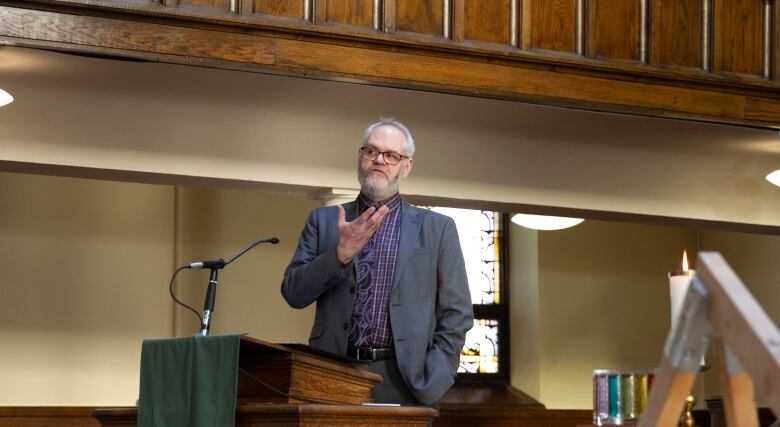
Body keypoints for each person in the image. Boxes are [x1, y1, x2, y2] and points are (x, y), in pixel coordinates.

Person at [281, 117, 473, 407]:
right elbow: (293, 293)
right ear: (360, 158)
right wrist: (339, 255)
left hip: (406, 381)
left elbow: (457, 313)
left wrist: (434, 376)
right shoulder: (323, 221)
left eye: (391, 155)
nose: (379, 160)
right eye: (371, 151)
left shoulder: (438, 228)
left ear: (406, 166)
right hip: (331, 375)